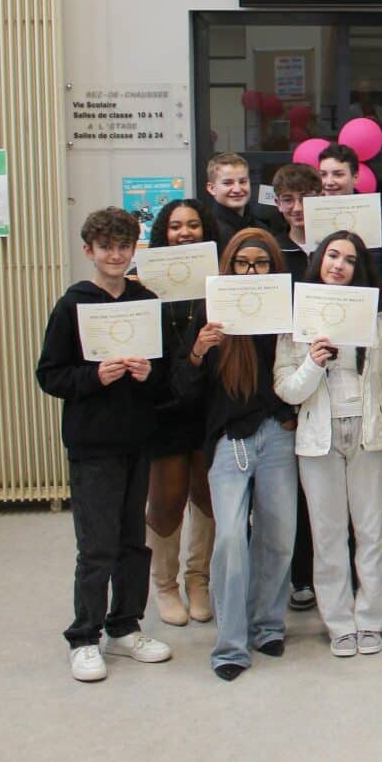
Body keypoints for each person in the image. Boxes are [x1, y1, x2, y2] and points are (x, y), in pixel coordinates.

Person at [37, 207, 173, 682]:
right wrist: (93, 376)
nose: (115, 255)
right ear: (88, 252)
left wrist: (147, 374)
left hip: (137, 440)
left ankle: (124, 626)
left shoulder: (147, 301)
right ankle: (84, 636)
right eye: (106, 247)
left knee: (132, 542)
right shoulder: (71, 305)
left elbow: (166, 380)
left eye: (123, 246)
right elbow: (49, 375)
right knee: (96, 546)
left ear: (134, 249)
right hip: (92, 444)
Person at [274, 231, 382, 657]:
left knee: (371, 532)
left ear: (359, 269)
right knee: (328, 534)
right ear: (319, 261)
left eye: (350, 260)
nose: (340, 265)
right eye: (333, 255)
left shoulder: (376, 320)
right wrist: (313, 363)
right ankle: (338, 622)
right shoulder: (296, 320)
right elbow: (287, 391)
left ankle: (371, 619)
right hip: (318, 440)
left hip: (371, 435)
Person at [176, 228, 298, 681]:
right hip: (230, 440)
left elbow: (299, 374)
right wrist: (197, 352)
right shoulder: (212, 314)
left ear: (273, 267)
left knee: (280, 533)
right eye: (243, 263)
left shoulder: (284, 309)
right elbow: (181, 391)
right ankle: (230, 643)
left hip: (276, 434)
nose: (251, 271)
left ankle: (268, 623)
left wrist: (286, 415)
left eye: (261, 263)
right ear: (229, 266)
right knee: (229, 538)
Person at [143, 199, 219, 627]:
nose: (185, 232)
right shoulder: (146, 286)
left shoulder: (216, 283)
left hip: (207, 406)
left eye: (193, 225)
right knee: (167, 499)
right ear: (163, 233)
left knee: (207, 497)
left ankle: (198, 579)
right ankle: (165, 584)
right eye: (175, 227)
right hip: (162, 406)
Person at [270, 163, 325, 610]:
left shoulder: (336, 247)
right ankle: (300, 576)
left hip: (335, 370)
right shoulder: (274, 251)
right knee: (295, 491)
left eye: (304, 198)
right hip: (292, 369)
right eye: (287, 200)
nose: (296, 208)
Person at [318, 143, 382, 281]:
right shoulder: (310, 217)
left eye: (338, 174)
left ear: (355, 177)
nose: (329, 182)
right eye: (323, 175)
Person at [204, 152, 279, 248]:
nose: (237, 189)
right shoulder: (208, 233)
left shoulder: (262, 229)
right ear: (211, 188)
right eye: (228, 183)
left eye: (243, 182)